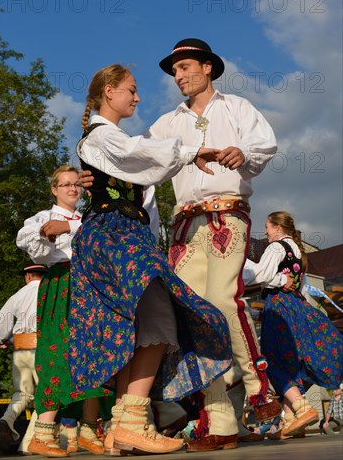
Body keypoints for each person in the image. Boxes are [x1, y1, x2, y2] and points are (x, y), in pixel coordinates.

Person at [79, 39, 281, 452]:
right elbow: (139, 158)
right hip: (185, 224)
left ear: (208, 67)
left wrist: (243, 153)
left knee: (224, 301)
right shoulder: (166, 123)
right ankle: (219, 418)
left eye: (185, 66)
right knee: (188, 315)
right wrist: (96, 178)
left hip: (227, 213)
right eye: (174, 70)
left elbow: (265, 146)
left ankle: (260, 385)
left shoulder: (238, 107)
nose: (178, 75)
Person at [67, 63, 234, 455]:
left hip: (123, 233)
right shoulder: (103, 137)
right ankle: (132, 421)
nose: (137, 97)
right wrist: (192, 151)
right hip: (112, 234)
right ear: (109, 91)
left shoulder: (107, 140)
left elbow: (141, 161)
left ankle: (124, 424)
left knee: (140, 325)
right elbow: (138, 153)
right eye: (131, 89)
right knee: (159, 314)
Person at [16, 165, 109, 457]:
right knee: (57, 355)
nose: (72, 188)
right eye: (65, 184)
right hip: (63, 284)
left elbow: (106, 238)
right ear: (54, 189)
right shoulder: (44, 217)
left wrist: (70, 227)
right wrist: (50, 233)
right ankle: (43, 434)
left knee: (96, 355)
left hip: (92, 287)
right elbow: (31, 244)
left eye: (76, 184)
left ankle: (89, 430)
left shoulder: (87, 218)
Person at [243, 211, 343, 438]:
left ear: (277, 227)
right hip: (295, 306)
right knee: (295, 363)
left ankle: (301, 407)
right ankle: (291, 419)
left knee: (272, 361)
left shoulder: (277, 247)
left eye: (267, 227)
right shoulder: (296, 250)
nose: (266, 232)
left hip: (279, 306)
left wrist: (237, 263)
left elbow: (258, 275)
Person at [0, 262, 47, 455]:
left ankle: (7, 420)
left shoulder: (18, 295)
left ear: (27, 276)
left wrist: (3, 339)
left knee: (22, 393)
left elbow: (1, 320)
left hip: (21, 346)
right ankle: (29, 442)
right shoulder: (49, 291)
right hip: (43, 346)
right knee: (46, 394)